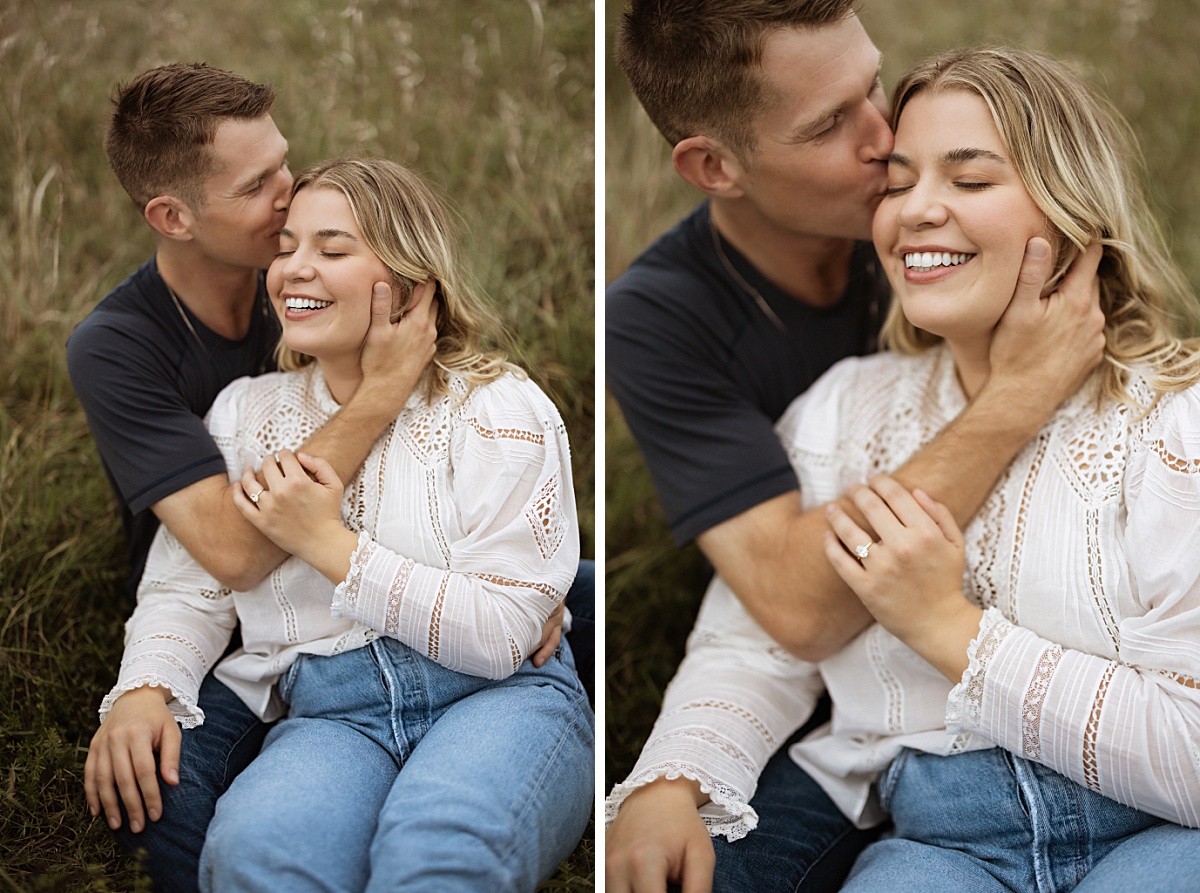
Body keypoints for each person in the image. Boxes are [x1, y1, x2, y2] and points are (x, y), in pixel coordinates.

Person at [608, 45, 1200, 893]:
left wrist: (945, 626)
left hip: (1158, 833)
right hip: (938, 844)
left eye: (969, 180)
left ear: (1071, 208)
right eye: (898, 180)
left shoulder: (1175, 424)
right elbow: (751, 647)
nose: (917, 209)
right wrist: (674, 776)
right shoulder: (843, 411)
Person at [69, 63, 592, 891]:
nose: (290, 242)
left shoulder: (497, 406)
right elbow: (202, 577)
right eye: (282, 238)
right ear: (175, 218)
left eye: (328, 244)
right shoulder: (225, 399)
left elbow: (498, 638)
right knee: (251, 854)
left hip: (486, 686)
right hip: (316, 689)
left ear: (410, 281)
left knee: (438, 849)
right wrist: (145, 686)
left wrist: (340, 549)